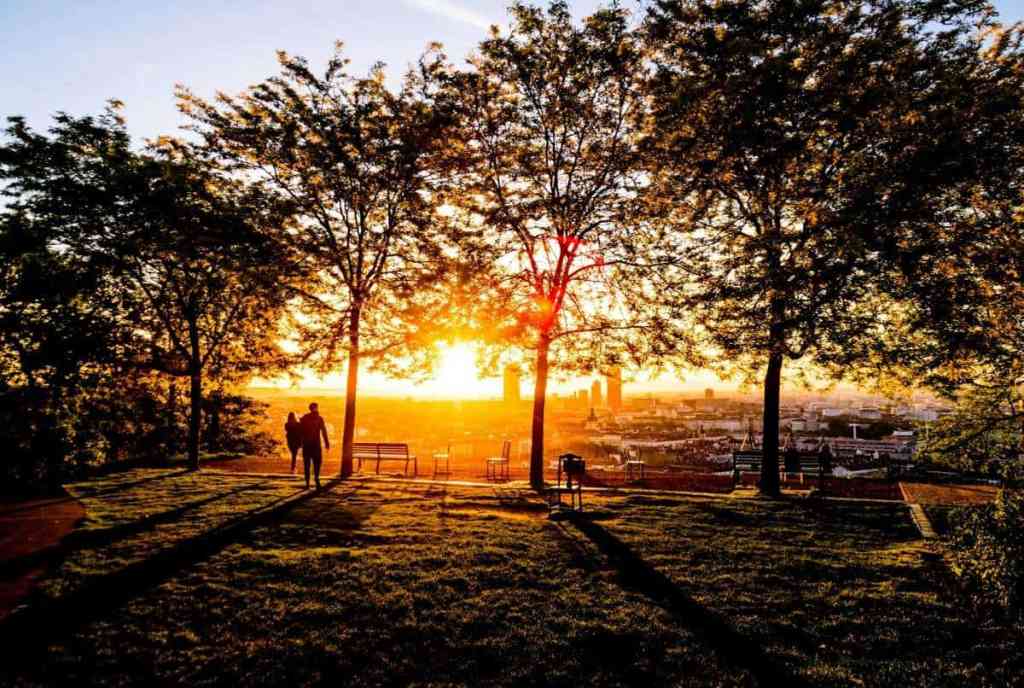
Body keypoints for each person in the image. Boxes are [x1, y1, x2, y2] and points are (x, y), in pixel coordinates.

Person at [299, 403, 330, 489]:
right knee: (317, 463)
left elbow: (301, 432)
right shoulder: (319, 419)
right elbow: (324, 431)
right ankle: (316, 478)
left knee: (307, 464)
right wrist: (327, 443)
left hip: (306, 445)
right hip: (316, 444)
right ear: (316, 408)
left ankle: (307, 482)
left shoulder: (304, 418)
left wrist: (301, 443)